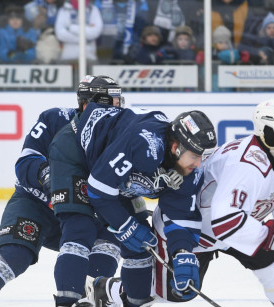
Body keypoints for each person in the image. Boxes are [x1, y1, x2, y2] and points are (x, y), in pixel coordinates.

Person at [88, 99, 274, 307]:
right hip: (194, 231)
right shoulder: (247, 167)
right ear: (269, 134)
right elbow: (224, 221)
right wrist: (270, 235)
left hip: (242, 228)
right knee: (170, 295)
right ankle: (109, 290)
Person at [0, 76, 127, 307]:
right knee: (13, 257)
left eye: (117, 100)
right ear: (87, 103)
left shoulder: (121, 130)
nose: (117, 106)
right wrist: (52, 179)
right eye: (110, 101)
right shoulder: (55, 119)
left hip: (84, 211)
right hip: (38, 205)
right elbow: (25, 162)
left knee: (109, 244)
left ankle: (87, 301)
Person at [49, 93, 217, 306]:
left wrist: (183, 253)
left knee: (140, 249)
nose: (199, 164)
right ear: (176, 147)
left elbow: (181, 215)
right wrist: (125, 225)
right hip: (77, 151)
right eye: (195, 156)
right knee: (80, 229)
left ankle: (134, 302)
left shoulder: (189, 170)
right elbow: (99, 189)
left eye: (202, 156)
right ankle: (68, 302)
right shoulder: (143, 144)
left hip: (117, 175)